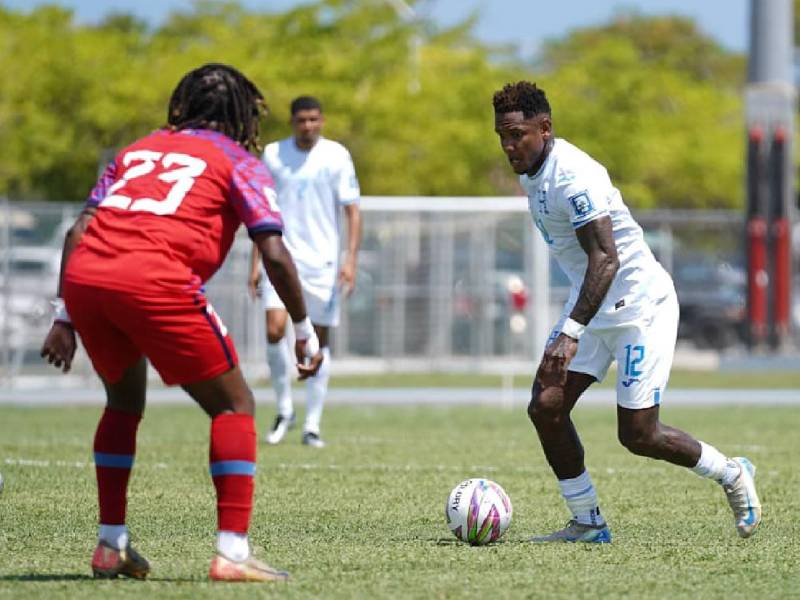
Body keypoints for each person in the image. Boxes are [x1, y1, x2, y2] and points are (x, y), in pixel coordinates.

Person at [40, 63, 323, 582]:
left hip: (87, 279)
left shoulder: (137, 150)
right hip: (154, 279)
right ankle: (232, 553)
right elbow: (274, 253)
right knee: (234, 405)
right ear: (241, 115)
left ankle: (111, 545)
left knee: (123, 403)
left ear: (182, 105)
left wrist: (64, 316)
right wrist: (304, 329)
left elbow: (79, 230)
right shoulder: (237, 160)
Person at [492, 81, 761, 543]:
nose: (509, 146)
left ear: (545, 128)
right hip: (593, 302)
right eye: (502, 136)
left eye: (517, 135)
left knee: (639, 435)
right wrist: (578, 323)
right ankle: (587, 521)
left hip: (640, 308)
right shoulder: (530, 172)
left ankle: (732, 472)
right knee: (546, 405)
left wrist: (570, 331)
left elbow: (606, 258)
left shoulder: (573, 176)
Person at [248, 95, 361, 448]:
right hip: (280, 257)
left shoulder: (336, 155)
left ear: (321, 121)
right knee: (274, 328)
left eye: (313, 119)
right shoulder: (273, 155)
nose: (308, 125)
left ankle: (312, 423)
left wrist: (350, 259)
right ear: (292, 122)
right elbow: (260, 211)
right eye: (302, 120)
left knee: (318, 341)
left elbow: (352, 210)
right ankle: (284, 409)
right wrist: (255, 262)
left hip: (323, 263)